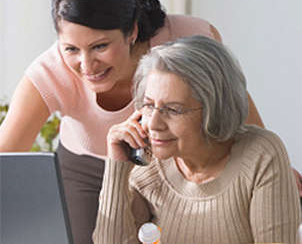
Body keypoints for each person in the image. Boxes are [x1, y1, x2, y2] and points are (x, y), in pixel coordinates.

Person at [0, 0, 300, 243]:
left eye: (100, 46)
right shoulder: (48, 73)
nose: (86, 64)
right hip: (85, 165)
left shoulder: (187, 38)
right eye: (71, 49)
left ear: (131, 31)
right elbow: (5, 160)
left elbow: (234, 110)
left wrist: (274, 168)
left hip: (161, 156)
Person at [93, 35, 301, 244]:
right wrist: (117, 166)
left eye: (173, 110)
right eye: (148, 105)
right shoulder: (148, 166)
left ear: (215, 111)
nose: (154, 124)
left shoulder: (261, 155)